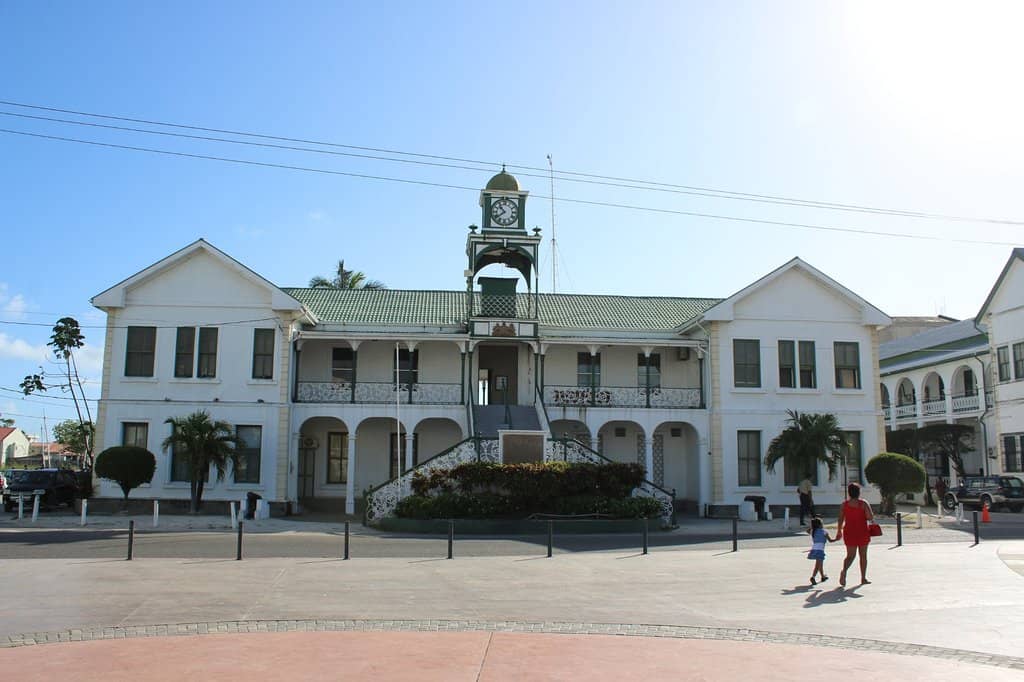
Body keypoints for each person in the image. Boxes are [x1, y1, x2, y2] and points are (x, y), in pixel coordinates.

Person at [836, 482, 874, 587]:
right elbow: (870, 517)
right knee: (863, 556)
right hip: (862, 532)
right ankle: (863, 578)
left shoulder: (844, 504)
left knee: (850, 556)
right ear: (858, 492)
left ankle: (844, 571)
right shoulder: (863, 503)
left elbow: (840, 519)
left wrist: (839, 530)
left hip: (849, 532)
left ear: (849, 493)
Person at [806, 516, 835, 585]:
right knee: (818, 565)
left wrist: (812, 527)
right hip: (820, 550)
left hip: (814, 549)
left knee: (820, 564)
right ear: (820, 524)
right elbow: (830, 540)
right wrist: (836, 539)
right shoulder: (824, 532)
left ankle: (823, 576)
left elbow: (807, 531)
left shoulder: (813, 531)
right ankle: (813, 577)